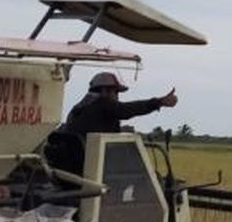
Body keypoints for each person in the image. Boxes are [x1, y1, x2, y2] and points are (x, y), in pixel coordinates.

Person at [45, 72, 178, 175]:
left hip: (73, 168)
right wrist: (158, 102)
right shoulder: (103, 104)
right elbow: (126, 110)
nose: (117, 97)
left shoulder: (77, 109)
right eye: (116, 92)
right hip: (96, 169)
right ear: (105, 91)